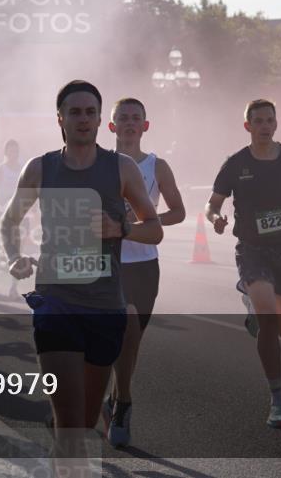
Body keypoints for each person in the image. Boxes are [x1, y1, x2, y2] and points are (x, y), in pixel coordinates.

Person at [0, 80, 161, 470]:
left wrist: (120, 228)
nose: (83, 119)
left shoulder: (120, 168)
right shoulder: (40, 167)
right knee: (73, 432)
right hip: (56, 303)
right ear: (60, 119)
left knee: (84, 423)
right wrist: (15, 256)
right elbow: (9, 221)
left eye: (90, 112)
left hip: (105, 306)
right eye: (75, 112)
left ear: (100, 118)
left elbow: (154, 229)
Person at [205, 99, 281, 429]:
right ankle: (277, 397)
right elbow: (212, 204)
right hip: (252, 250)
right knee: (269, 322)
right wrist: (215, 219)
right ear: (248, 126)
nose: (265, 126)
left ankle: (254, 308)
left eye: (270, 120)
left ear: (276, 124)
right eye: (258, 121)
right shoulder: (235, 163)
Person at [102, 97, 186, 447]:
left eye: (136, 118)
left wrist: (146, 221)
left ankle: (114, 396)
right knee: (125, 328)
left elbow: (178, 211)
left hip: (145, 264)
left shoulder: (157, 166)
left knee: (131, 343)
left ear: (145, 126)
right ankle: (124, 403)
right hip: (108, 263)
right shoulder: (100, 164)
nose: (130, 123)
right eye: (123, 118)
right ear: (112, 126)